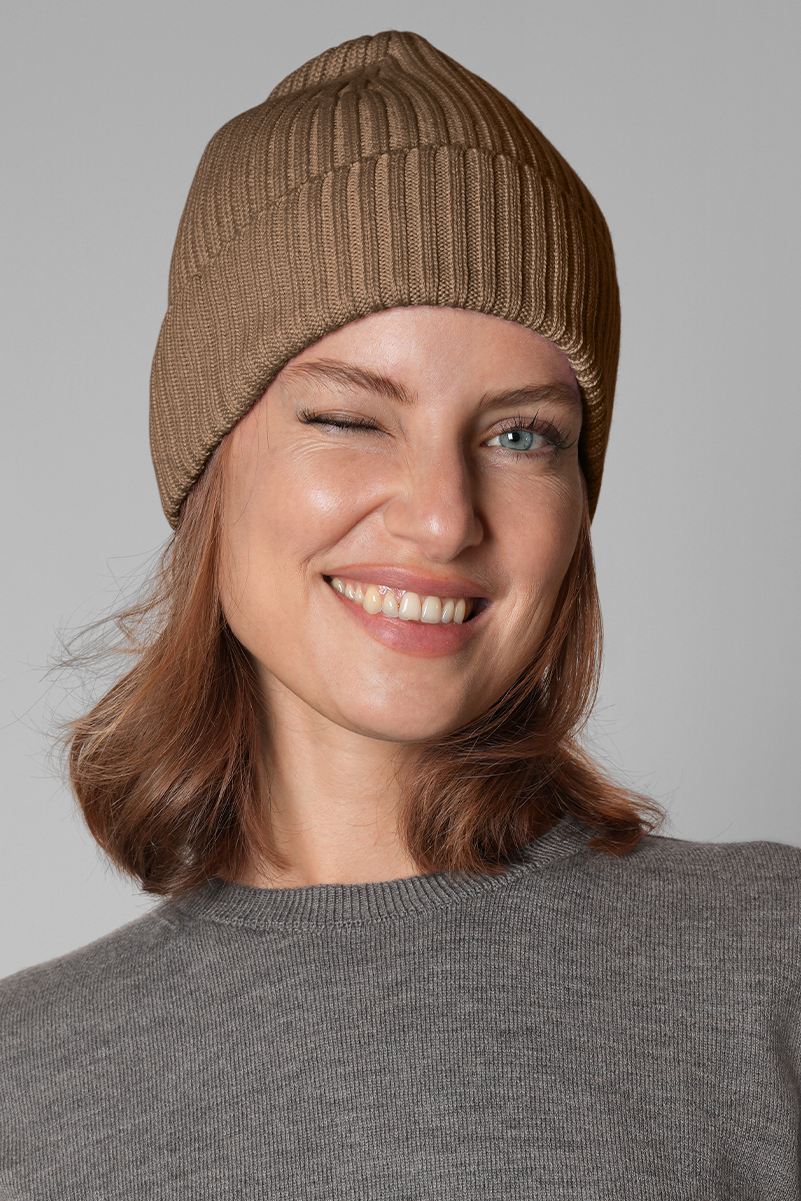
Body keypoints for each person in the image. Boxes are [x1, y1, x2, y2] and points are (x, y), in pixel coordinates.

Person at [1, 29, 798, 1199]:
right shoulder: (27, 1082)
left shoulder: (767, 970)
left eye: (521, 433)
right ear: (210, 462)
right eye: (350, 417)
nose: (441, 517)